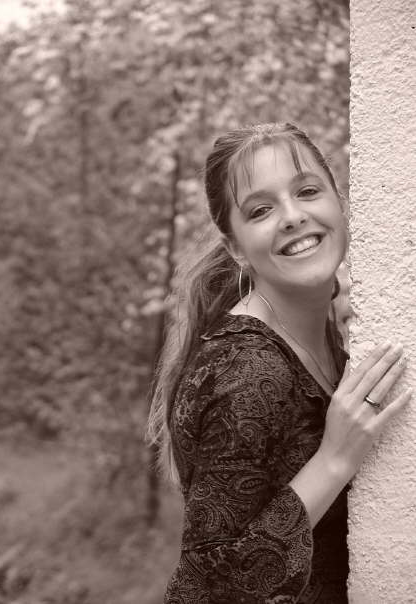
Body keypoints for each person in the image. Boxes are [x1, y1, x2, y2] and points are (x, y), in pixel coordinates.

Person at [147, 122, 411, 603]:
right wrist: (332, 461)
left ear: (339, 203)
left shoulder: (325, 337)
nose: (292, 217)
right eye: (261, 210)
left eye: (307, 191)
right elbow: (208, 586)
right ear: (235, 247)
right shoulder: (245, 372)